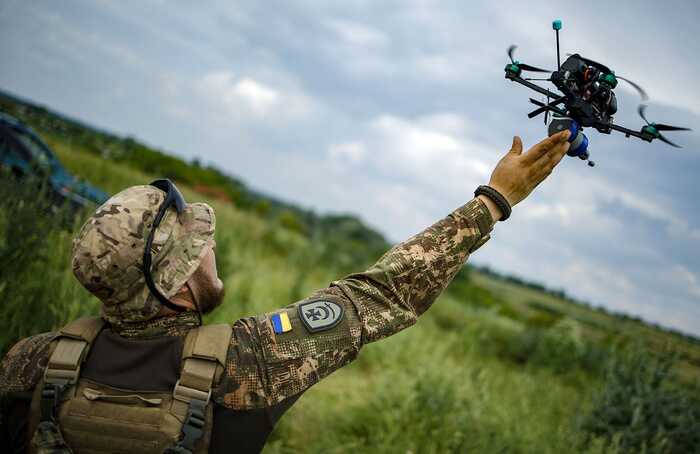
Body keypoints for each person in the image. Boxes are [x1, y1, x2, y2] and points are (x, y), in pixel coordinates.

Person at [0, 131, 571, 453]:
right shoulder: (248, 366)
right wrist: (493, 200)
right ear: (174, 280)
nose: (211, 249)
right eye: (198, 247)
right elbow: (380, 295)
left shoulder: (28, 364)